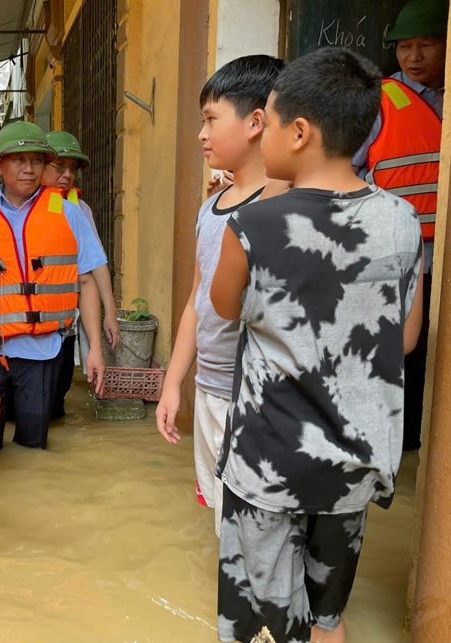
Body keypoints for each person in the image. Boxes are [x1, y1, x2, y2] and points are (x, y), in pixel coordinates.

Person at [210, 47, 423, 643]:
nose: (262, 134)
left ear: (298, 132)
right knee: (327, 613)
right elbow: (404, 337)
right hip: (355, 465)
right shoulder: (403, 220)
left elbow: (226, 309)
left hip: (268, 466)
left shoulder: (251, 228)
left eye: (269, 122)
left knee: (263, 615)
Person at [156, 55, 285, 537]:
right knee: (223, 522)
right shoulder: (210, 207)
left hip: (256, 395)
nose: (201, 134)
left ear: (256, 122)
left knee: (257, 529)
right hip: (209, 389)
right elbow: (196, 301)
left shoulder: (284, 204)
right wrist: (174, 384)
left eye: (211, 119)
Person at [0, 121, 106, 453]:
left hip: (43, 351)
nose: (29, 169)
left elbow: (86, 280)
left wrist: (93, 348)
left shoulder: (69, 214)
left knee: (33, 449)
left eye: (37, 160)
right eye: (18, 160)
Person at [352, 0, 447, 450]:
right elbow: (344, 169)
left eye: (426, 44)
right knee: (394, 347)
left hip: (440, 252)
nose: (414, 56)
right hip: (390, 250)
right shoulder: (381, 101)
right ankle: (397, 444)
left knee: (431, 350)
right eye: (405, 46)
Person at [41, 130, 119, 419]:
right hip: (29, 323)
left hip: (66, 320)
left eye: (72, 168)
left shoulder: (79, 209)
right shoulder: (23, 210)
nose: (67, 174)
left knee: (57, 398)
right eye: (59, 166)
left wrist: (109, 313)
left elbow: (95, 265)